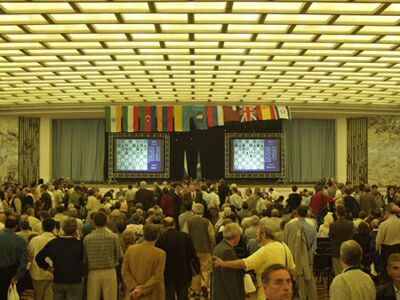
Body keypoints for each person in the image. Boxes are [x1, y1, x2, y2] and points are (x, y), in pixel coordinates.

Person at [213, 224, 295, 300]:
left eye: (257, 235)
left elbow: (244, 263)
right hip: (284, 291)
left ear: (263, 235)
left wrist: (224, 263)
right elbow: (292, 269)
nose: (256, 238)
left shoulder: (264, 250)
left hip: (267, 291)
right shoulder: (284, 246)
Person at [36, 218, 84, 300]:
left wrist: (48, 268)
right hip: (74, 279)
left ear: (63, 228)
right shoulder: (79, 244)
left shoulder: (54, 243)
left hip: (58, 279)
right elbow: (84, 261)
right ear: (76, 230)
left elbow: (38, 257)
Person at [84, 211, 123, 300]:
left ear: (93, 222)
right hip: (109, 271)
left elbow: (85, 258)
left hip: (93, 272)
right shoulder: (114, 237)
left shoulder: (87, 239)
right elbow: (120, 255)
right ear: (106, 222)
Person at [122, 224, 166, 300]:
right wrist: (142, 290)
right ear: (157, 236)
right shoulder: (160, 254)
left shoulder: (130, 249)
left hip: (133, 293)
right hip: (153, 294)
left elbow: (124, 270)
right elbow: (157, 276)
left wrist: (134, 287)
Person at [156, 217, 195, 300]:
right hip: (184, 271)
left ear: (163, 226)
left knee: (169, 296)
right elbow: (192, 255)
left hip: (167, 274)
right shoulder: (186, 237)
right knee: (183, 296)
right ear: (174, 225)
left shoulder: (161, 239)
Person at [284, 205, 317, 300]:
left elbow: (285, 243)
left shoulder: (289, 225)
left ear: (296, 213)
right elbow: (314, 245)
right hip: (308, 259)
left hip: (293, 259)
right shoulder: (312, 226)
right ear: (307, 213)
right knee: (309, 282)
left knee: (297, 285)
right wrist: (308, 257)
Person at [182, 203, 215, 298]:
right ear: (203, 212)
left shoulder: (188, 222)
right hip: (205, 249)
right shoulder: (207, 222)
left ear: (193, 211)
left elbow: (186, 236)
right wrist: (212, 248)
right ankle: (204, 285)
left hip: (193, 250)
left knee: (195, 270)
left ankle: (196, 290)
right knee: (205, 269)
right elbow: (212, 237)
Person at [212, 223, 245, 300]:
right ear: (236, 237)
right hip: (226, 295)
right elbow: (230, 279)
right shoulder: (227, 251)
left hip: (219, 292)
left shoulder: (219, 246)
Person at [28, 218, 57, 300]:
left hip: (37, 273)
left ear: (42, 227)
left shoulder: (35, 240)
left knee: (38, 296)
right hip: (52, 272)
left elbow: (29, 254)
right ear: (54, 228)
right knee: (50, 296)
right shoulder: (56, 240)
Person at [0, 216, 28, 300]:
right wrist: (17, 276)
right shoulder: (20, 241)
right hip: (13, 272)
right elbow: (23, 261)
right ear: (16, 226)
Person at [329, 204, 354, 275]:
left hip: (336, 251)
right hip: (347, 250)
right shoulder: (350, 224)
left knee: (338, 273)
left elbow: (330, 237)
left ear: (336, 213)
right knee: (347, 273)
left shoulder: (333, 225)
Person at [376, 203, 400, 274]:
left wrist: (377, 251)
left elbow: (378, 241)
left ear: (387, 212)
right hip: (398, 247)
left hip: (387, 250)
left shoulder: (383, 225)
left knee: (389, 270)